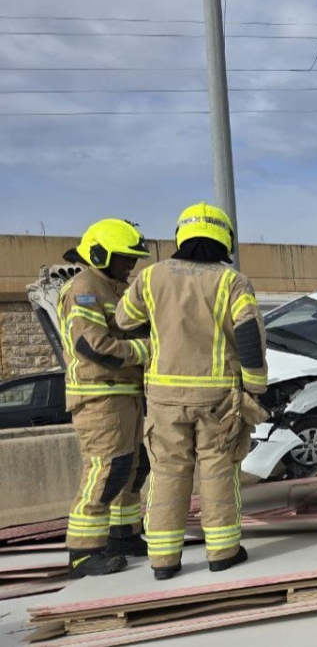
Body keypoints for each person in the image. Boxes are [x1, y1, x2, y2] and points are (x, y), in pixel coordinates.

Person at [116, 202, 267, 581]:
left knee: (167, 474)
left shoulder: (151, 277)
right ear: (224, 239)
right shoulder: (232, 281)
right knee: (218, 471)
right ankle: (223, 553)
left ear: (181, 235)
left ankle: (164, 561)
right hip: (217, 399)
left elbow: (123, 319)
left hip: (164, 399)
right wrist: (256, 387)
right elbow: (249, 336)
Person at [59, 219, 153, 578]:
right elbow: (91, 346)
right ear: (100, 254)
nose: (131, 265)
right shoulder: (84, 287)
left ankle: (123, 535)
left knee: (132, 468)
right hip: (100, 396)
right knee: (105, 470)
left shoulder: (112, 287)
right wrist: (147, 350)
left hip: (124, 394)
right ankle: (83, 552)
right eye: (125, 258)